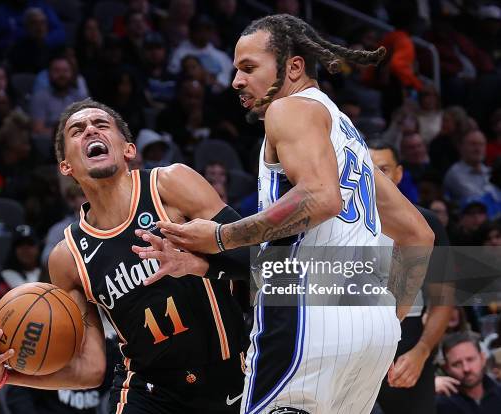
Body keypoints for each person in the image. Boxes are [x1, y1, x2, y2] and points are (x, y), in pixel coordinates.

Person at [145, 14, 434, 414]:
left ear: (293, 66)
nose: (236, 82)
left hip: (306, 316)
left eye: (248, 68)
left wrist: (218, 237)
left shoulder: (289, 109)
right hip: (373, 326)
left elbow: (319, 198)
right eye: (235, 70)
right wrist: (389, 318)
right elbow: (418, 234)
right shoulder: (345, 132)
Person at [0, 98, 250, 413]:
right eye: (77, 130)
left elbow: (258, 259)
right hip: (149, 391)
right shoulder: (68, 257)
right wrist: (6, 375)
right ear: (67, 166)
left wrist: (198, 264)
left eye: (102, 124)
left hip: (230, 372)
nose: (90, 129)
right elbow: (90, 370)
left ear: (128, 149)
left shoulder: (171, 186)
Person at [368, 141, 453, 414]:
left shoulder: (426, 222)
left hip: (408, 352)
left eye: (384, 169)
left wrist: (422, 351)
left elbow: (444, 301)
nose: (377, 178)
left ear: (399, 173)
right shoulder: (340, 225)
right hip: (354, 348)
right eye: (370, 170)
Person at [436, 332, 501, 414]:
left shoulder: (498, 393)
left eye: (470, 360)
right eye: (457, 364)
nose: (466, 369)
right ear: (446, 368)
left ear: (483, 358)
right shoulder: (439, 404)